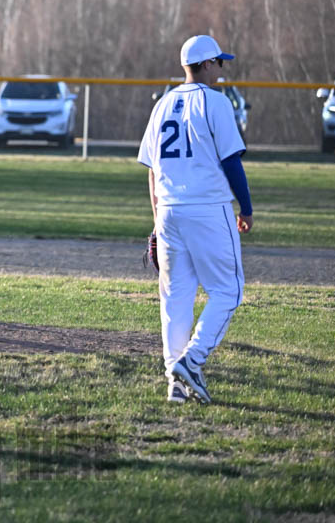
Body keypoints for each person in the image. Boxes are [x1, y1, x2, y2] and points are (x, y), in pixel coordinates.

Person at [138, 34, 254, 405]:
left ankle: (175, 382)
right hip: (208, 208)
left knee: (176, 298)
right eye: (218, 62)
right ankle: (192, 359)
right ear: (205, 64)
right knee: (228, 291)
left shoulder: (162, 104)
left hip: (169, 210)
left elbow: (152, 170)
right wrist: (246, 207)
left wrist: (158, 218)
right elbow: (231, 161)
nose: (221, 69)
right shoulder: (216, 102)